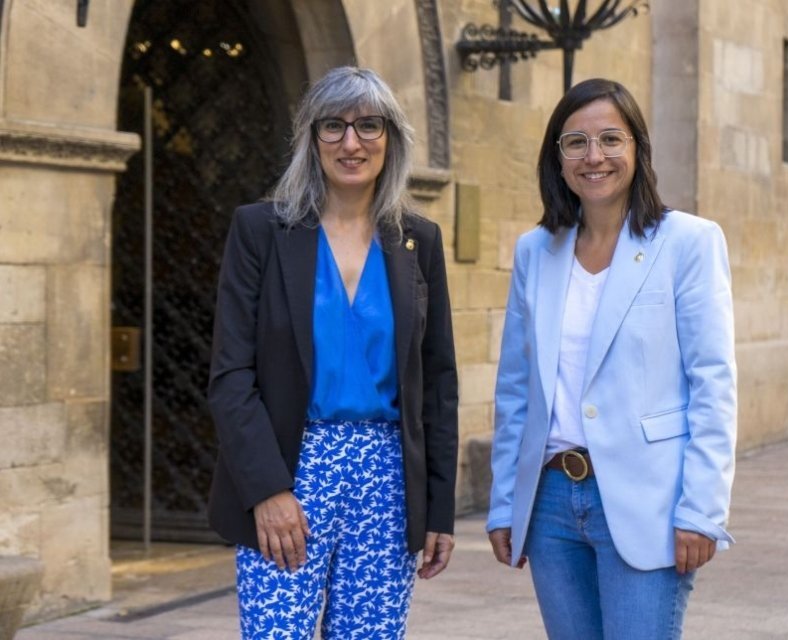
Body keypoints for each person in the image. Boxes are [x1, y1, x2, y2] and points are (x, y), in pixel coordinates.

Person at [207, 66, 458, 640]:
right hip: (290, 471)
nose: (352, 142)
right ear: (310, 137)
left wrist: (438, 508)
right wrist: (267, 489)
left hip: (387, 481)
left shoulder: (419, 240)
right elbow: (230, 376)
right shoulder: (260, 231)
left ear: (391, 137)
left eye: (369, 125)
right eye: (333, 126)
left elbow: (439, 384)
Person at [487, 77, 737, 639]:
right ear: (558, 157)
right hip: (551, 501)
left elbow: (713, 384)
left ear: (637, 149)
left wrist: (701, 510)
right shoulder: (536, 251)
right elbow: (516, 388)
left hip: (646, 498)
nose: (593, 156)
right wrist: (506, 502)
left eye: (609, 139)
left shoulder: (689, 242)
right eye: (575, 142)